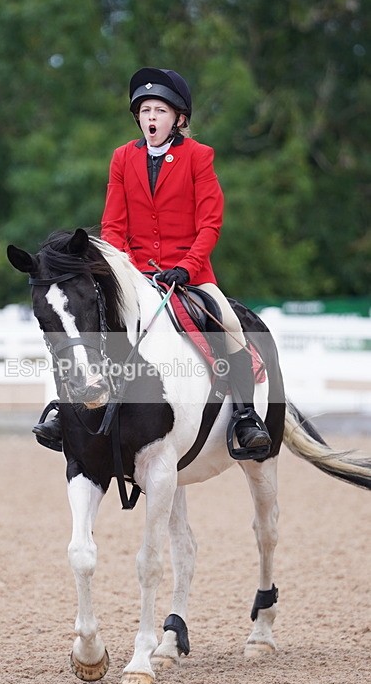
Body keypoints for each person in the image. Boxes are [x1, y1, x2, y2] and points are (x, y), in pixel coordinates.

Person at [33, 67, 271, 457]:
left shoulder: (199, 157)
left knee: (228, 323)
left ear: (178, 118)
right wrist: (124, 271)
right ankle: (67, 411)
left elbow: (210, 223)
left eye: (159, 110)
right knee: (85, 323)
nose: (150, 119)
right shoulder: (122, 158)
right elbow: (112, 224)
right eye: (144, 111)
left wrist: (187, 267)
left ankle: (245, 416)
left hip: (189, 275)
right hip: (135, 274)